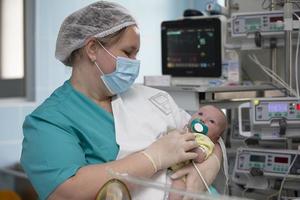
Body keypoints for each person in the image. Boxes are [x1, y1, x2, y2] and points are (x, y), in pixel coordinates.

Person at [20, 1, 222, 200]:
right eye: (127, 52)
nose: (134, 63)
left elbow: (209, 134)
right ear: (92, 49)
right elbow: (67, 191)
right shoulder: (49, 121)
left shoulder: (153, 98)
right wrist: (153, 158)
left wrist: (208, 166)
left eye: (136, 54)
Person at [169, 105, 227, 200]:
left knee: (177, 187)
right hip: (172, 166)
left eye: (211, 121)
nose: (203, 119)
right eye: (200, 114)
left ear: (216, 137)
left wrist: (190, 147)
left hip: (186, 174)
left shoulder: (205, 140)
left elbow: (200, 156)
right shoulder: (184, 130)